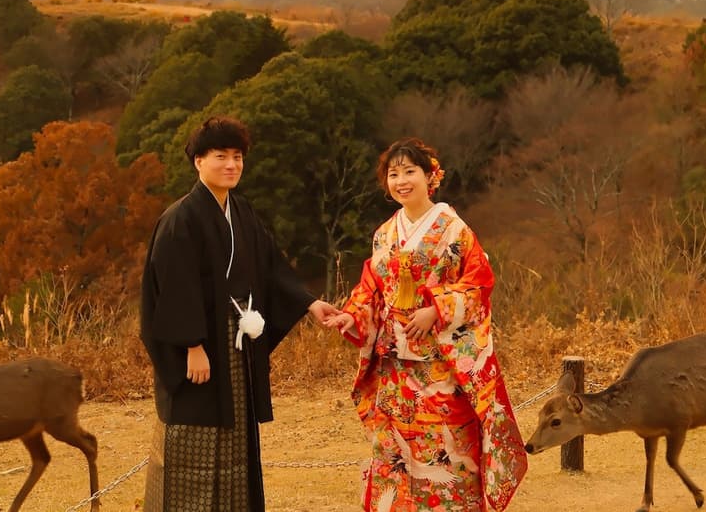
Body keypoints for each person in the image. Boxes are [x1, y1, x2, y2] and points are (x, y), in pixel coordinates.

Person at [140, 115, 340, 512]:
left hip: (236, 344)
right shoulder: (180, 218)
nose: (231, 165)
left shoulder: (242, 212)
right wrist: (191, 345)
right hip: (199, 346)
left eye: (237, 157)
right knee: (193, 433)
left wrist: (308, 302)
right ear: (198, 161)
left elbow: (270, 266)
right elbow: (174, 286)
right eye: (221, 156)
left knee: (235, 439)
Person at [325, 137, 527, 512]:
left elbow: (479, 283)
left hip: (440, 367)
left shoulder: (453, 230)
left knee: (447, 455)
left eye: (409, 171)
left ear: (429, 176)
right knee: (395, 455)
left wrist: (437, 310)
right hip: (394, 369)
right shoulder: (384, 234)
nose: (401, 181)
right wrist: (350, 315)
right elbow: (371, 288)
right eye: (393, 174)